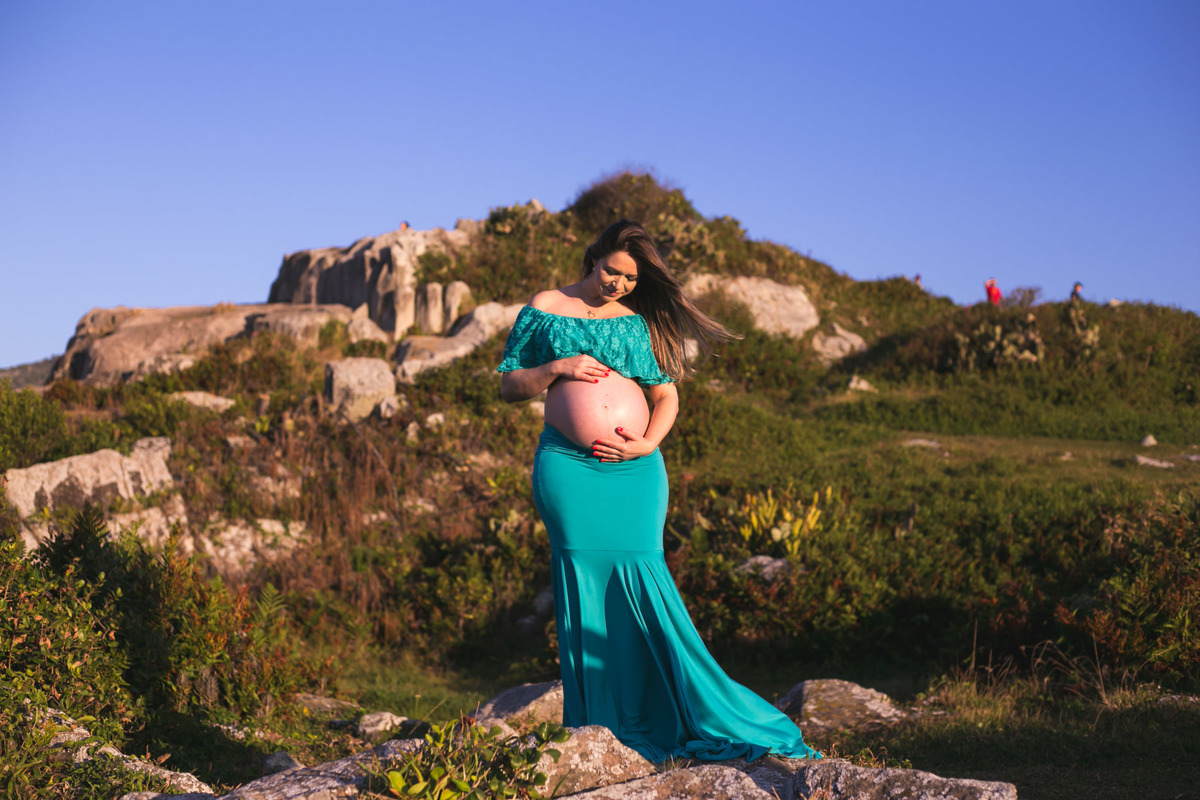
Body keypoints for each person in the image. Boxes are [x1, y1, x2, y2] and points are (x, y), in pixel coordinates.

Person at [497, 220, 821, 763]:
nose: (619, 284)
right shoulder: (547, 304)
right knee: (583, 584)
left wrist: (647, 444)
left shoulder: (632, 323)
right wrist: (557, 366)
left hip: (634, 473)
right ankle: (601, 726)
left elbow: (665, 397)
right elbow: (509, 385)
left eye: (630, 279)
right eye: (612, 271)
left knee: (645, 584)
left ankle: (682, 711)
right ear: (592, 259)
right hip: (569, 470)